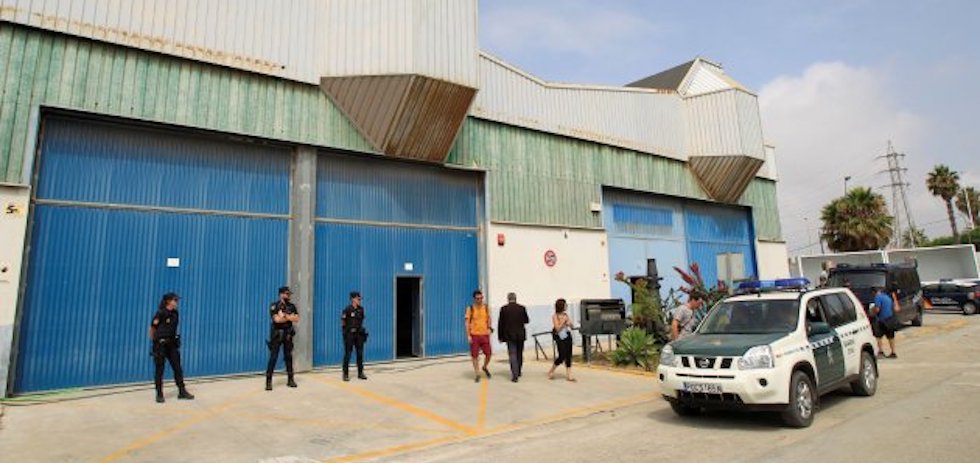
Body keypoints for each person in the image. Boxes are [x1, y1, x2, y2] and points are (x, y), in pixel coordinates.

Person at [149, 292, 194, 403]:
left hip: (172, 345)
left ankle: (182, 391)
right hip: (161, 345)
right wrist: (155, 343)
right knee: (160, 369)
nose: (177, 302)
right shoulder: (160, 313)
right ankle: (159, 394)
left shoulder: (175, 313)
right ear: (169, 301)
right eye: (175, 300)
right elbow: (152, 329)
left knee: (177, 368)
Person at [266, 286, 300, 390]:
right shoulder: (274, 305)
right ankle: (268, 381)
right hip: (277, 335)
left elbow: (297, 318)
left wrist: (284, 316)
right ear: (281, 294)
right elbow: (276, 320)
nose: (288, 296)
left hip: (288, 335)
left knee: (288, 357)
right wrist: (289, 317)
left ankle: (290, 379)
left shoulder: (292, 306)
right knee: (273, 357)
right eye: (286, 294)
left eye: (289, 294)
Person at [498, 292, 529, 382]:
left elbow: (501, 324)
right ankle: (518, 371)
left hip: (509, 335)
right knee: (519, 353)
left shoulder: (504, 309)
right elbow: (526, 320)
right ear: (515, 299)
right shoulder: (522, 308)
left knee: (512, 354)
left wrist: (500, 336)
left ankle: (514, 374)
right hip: (520, 335)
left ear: (508, 299)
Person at [465, 290, 493, 383]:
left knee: (488, 354)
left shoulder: (486, 307)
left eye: (481, 298)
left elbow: (489, 318)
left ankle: (484, 367)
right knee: (474, 356)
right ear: (474, 299)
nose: (480, 300)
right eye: (478, 298)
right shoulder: (470, 308)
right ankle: (477, 373)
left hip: (485, 335)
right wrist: (468, 335)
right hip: (474, 335)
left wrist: (489, 328)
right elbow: (467, 322)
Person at [547, 298, 576, 382]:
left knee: (568, 355)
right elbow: (557, 328)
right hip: (560, 338)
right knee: (562, 355)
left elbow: (572, 326)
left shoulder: (566, 315)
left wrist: (570, 323)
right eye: (565, 305)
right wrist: (563, 322)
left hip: (567, 336)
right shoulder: (555, 316)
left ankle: (569, 374)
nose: (566, 306)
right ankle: (551, 370)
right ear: (561, 306)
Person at [342, 291, 368, 381]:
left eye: (360, 299)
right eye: (358, 299)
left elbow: (362, 320)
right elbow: (343, 322)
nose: (359, 300)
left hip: (359, 335)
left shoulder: (361, 309)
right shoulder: (347, 309)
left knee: (360, 354)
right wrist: (346, 333)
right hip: (350, 335)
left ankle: (360, 373)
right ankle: (345, 374)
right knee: (348, 354)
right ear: (353, 299)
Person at [872, 286, 899, 358]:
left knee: (878, 336)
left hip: (881, 320)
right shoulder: (887, 297)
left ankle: (881, 351)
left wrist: (872, 312)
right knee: (891, 337)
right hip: (890, 319)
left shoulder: (877, 297)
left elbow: (877, 309)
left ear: (874, 292)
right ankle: (893, 352)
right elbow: (894, 308)